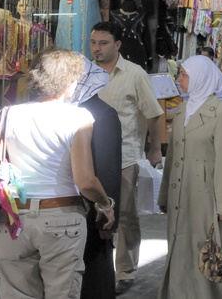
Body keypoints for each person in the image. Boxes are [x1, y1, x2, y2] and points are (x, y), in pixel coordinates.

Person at [0, 47, 116, 298]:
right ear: (69, 81)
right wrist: (105, 204)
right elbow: (85, 180)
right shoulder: (79, 117)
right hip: (61, 219)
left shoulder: (7, 114)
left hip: (13, 220)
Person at [158, 55, 222, 298]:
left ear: (200, 79)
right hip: (179, 194)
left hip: (205, 197)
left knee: (205, 249)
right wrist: (165, 194)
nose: (179, 79)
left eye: (184, 75)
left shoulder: (220, 112)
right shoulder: (182, 108)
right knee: (179, 246)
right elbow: (173, 156)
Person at [90, 21, 164, 296]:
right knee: (95, 214)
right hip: (91, 157)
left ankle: (126, 271)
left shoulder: (135, 75)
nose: (96, 48)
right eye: (93, 43)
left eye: (103, 43)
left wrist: (154, 149)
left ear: (117, 45)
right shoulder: (85, 73)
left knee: (125, 216)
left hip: (125, 156)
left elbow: (154, 114)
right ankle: (97, 267)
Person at [69, 57, 123, 299]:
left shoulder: (102, 114)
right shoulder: (79, 111)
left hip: (93, 209)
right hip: (87, 206)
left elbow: (107, 168)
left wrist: (107, 217)